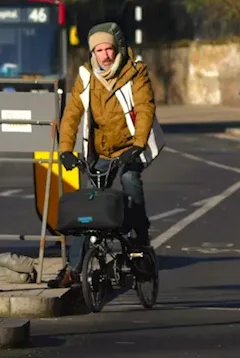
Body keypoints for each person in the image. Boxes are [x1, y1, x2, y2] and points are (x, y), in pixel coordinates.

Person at [48, 22, 156, 288]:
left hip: (128, 148)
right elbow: (71, 114)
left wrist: (138, 145)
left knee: (131, 185)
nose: (105, 56)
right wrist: (66, 150)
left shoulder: (135, 73)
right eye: (99, 50)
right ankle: (74, 268)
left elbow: (145, 109)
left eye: (109, 49)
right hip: (100, 150)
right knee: (89, 207)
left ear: (117, 48)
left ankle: (139, 245)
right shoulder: (86, 76)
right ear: (92, 53)